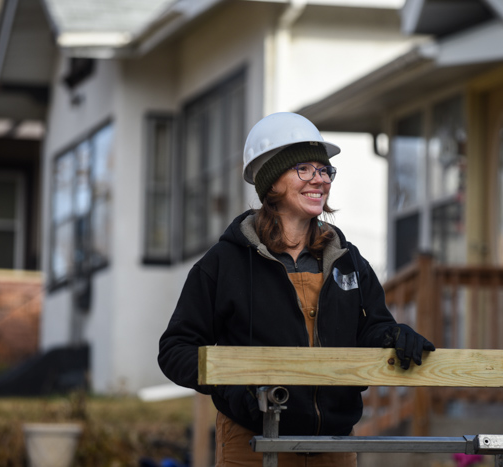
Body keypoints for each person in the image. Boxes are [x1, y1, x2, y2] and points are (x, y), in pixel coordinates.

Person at [158, 112, 435, 467]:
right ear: (272, 182)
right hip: (253, 443)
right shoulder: (224, 264)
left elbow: (371, 328)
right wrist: (235, 388)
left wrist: (392, 335)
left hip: (334, 447)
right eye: (304, 169)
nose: (319, 180)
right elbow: (175, 350)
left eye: (324, 170)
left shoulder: (348, 261)